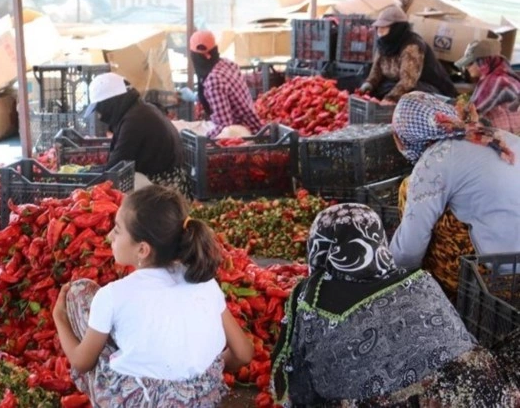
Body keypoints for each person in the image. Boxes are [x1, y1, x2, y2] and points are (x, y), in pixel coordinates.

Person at [270, 203, 520, 407]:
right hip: (483, 394)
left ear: (318, 249)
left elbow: (294, 390)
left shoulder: (309, 302)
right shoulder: (420, 280)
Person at [52, 185, 254, 406]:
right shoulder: (205, 283)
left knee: (79, 291)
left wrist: (60, 319)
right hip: (204, 399)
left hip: (144, 402)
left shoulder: (112, 295)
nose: (110, 236)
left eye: (117, 230)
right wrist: (200, 372)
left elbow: (81, 363)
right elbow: (243, 354)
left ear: (142, 250)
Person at [390, 92, 520, 288]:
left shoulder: (436, 159)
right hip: (512, 263)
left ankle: (444, 292)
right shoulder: (492, 136)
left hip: (499, 278)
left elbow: (408, 250)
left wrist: (389, 278)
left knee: (409, 188)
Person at [83, 72, 190, 196]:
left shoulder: (134, 120)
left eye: (100, 108)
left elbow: (116, 167)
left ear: (110, 103)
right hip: (173, 182)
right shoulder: (140, 110)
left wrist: (88, 179)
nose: (100, 115)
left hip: (165, 190)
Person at [360, 5, 458, 104]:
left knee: (411, 93)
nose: (379, 30)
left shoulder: (412, 46)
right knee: (378, 87)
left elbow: (408, 81)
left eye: (384, 27)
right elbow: (376, 70)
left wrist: (390, 98)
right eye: (378, 27)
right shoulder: (384, 44)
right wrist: (369, 84)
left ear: (396, 28)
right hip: (398, 83)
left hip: (428, 88)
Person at [180, 30, 264, 138]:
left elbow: (225, 124)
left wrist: (201, 140)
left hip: (240, 132)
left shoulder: (213, 80)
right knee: (180, 126)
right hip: (252, 126)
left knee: (180, 130)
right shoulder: (227, 63)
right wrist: (196, 97)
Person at [455, 38, 520, 134]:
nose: (467, 67)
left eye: (471, 63)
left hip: (506, 137)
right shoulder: (499, 76)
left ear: (484, 62)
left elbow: (472, 112)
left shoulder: (497, 82)